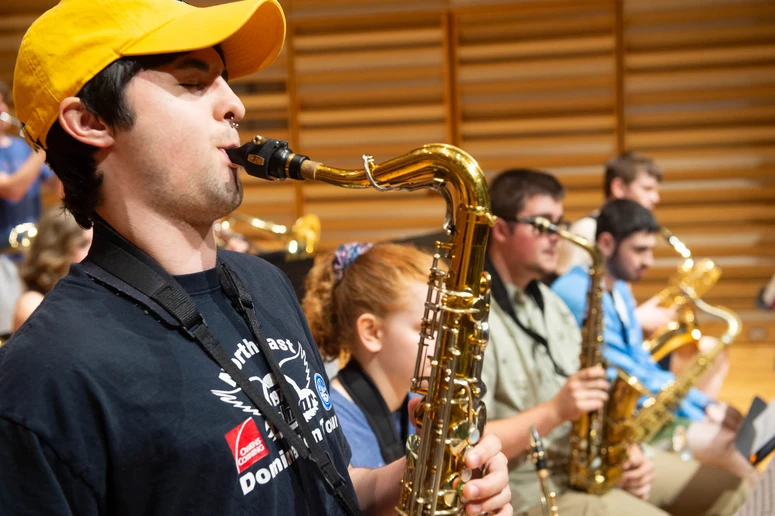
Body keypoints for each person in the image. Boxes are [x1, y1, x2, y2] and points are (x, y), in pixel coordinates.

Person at [0, 1, 511, 515]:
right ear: (89, 121)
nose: (235, 105)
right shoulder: (47, 375)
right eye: (196, 82)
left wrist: (424, 477)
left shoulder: (263, 283)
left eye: (225, 80)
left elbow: (310, 487)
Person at [482, 169, 749, 515]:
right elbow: (469, 442)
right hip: (532, 490)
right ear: (502, 229)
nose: (557, 237)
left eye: (560, 225)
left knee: (734, 492)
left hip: (586, 469)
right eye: (543, 225)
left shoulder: (550, 306)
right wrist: (554, 411)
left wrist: (624, 450)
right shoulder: (478, 317)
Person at [552, 199, 756, 483]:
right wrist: (697, 410)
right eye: (639, 250)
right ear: (607, 243)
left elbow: (641, 361)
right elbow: (624, 372)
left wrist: (702, 403)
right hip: (611, 427)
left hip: (638, 410)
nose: (649, 260)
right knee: (728, 447)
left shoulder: (619, 288)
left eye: (650, 250)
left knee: (733, 425)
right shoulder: (577, 292)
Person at [303, 242, 431, 469]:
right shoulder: (334, 427)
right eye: (427, 329)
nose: (445, 343)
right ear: (371, 332)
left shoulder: (416, 399)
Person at [556, 152, 672, 335]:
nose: (655, 198)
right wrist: (637, 319)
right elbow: (574, 302)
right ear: (618, 187)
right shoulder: (588, 230)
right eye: (647, 189)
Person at [12, 206, 92, 331]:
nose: (92, 253)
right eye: (83, 244)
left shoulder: (85, 295)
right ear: (58, 250)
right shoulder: (32, 304)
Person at [0, 79, 57, 252]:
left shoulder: (22, 146)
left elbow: (59, 190)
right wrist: (42, 147)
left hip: (32, 251)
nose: (1, 109)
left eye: (1, 101)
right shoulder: (35, 151)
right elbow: (13, 191)